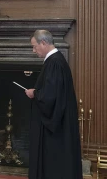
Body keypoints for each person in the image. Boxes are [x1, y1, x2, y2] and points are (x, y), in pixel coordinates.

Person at [25, 30, 82, 179]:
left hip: (56, 128)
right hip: (60, 122)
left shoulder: (55, 62)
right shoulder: (55, 61)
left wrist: (34, 93)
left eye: (34, 46)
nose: (33, 50)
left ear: (43, 43)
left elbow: (50, 97)